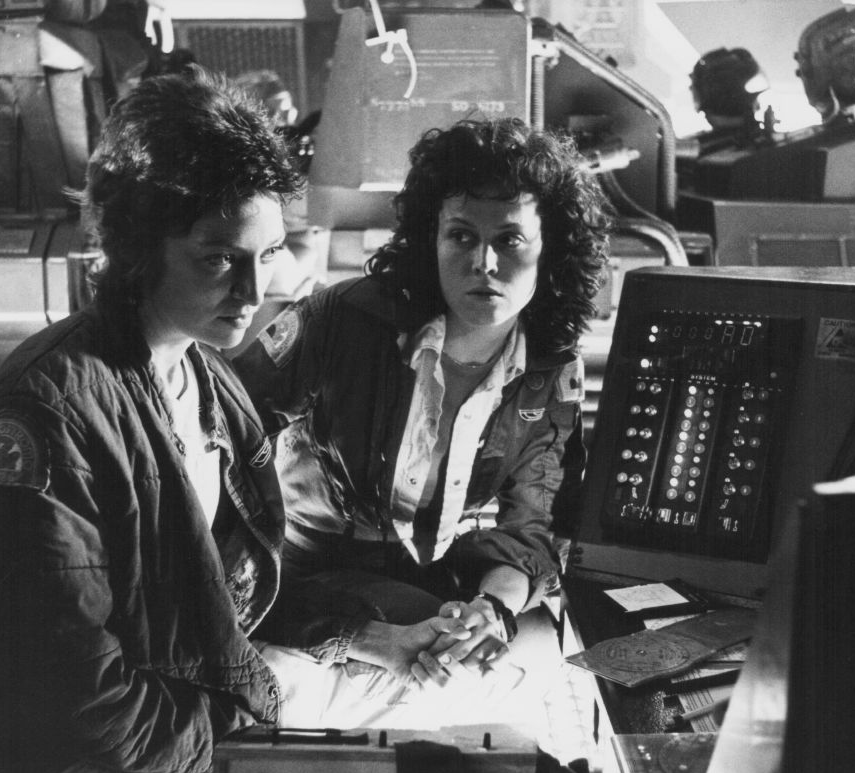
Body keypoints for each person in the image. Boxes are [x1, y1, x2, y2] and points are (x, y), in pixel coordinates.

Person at [0, 66, 471, 773]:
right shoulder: (50, 415)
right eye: (219, 258)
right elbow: (79, 700)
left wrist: (367, 639)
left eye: (268, 254)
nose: (254, 292)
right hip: (54, 767)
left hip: (171, 716)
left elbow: (223, 594)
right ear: (141, 247)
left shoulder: (208, 379)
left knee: (447, 710)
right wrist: (248, 730)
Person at [235, 117, 611, 720]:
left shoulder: (549, 368)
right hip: (297, 582)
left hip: (432, 591)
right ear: (430, 241)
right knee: (418, 673)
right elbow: (222, 433)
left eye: (510, 239)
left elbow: (531, 525)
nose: (484, 262)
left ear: (551, 252)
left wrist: (492, 613)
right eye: (461, 236)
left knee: (544, 648)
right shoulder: (341, 321)